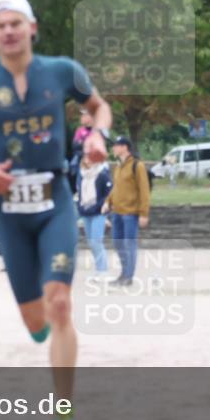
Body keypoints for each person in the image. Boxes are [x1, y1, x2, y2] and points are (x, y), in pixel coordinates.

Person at [0, 0, 112, 420]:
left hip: (54, 198)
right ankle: (40, 330)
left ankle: (63, 418)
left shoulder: (61, 72)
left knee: (60, 304)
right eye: (0, 25)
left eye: (16, 22)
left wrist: (98, 135)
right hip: (10, 210)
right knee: (36, 321)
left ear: (32, 27)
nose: (9, 31)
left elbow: (98, 106)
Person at [102, 136, 151, 286]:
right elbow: (116, 188)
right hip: (117, 211)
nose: (113, 148)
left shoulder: (137, 166)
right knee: (118, 243)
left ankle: (128, 276)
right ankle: (123, 273)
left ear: (125, 147)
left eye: (116, 145)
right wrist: (107, 202)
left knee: (129, 244)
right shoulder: (118, 166)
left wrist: (144, 213)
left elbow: (144, 190)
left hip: (131, 212)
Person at [76, 154, 112, 274]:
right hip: (85, 212)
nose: (88, 160)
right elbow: (79, 193)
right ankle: (99, 268)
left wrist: (98, 206)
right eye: (86, 157)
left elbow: (109, 194)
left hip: (98, 212)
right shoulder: (81, 174)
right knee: (91, 242)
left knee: (96, 241)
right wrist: (80, 208)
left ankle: (102, 270)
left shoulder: (102, 174)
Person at [68, 108, 93, 193]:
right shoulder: (80, 130)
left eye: (84, 115)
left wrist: (83, 142)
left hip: (93, 164)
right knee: (80, 186)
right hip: (81, 163)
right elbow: (75, 146)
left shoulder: (97, 130)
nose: (81, 117)